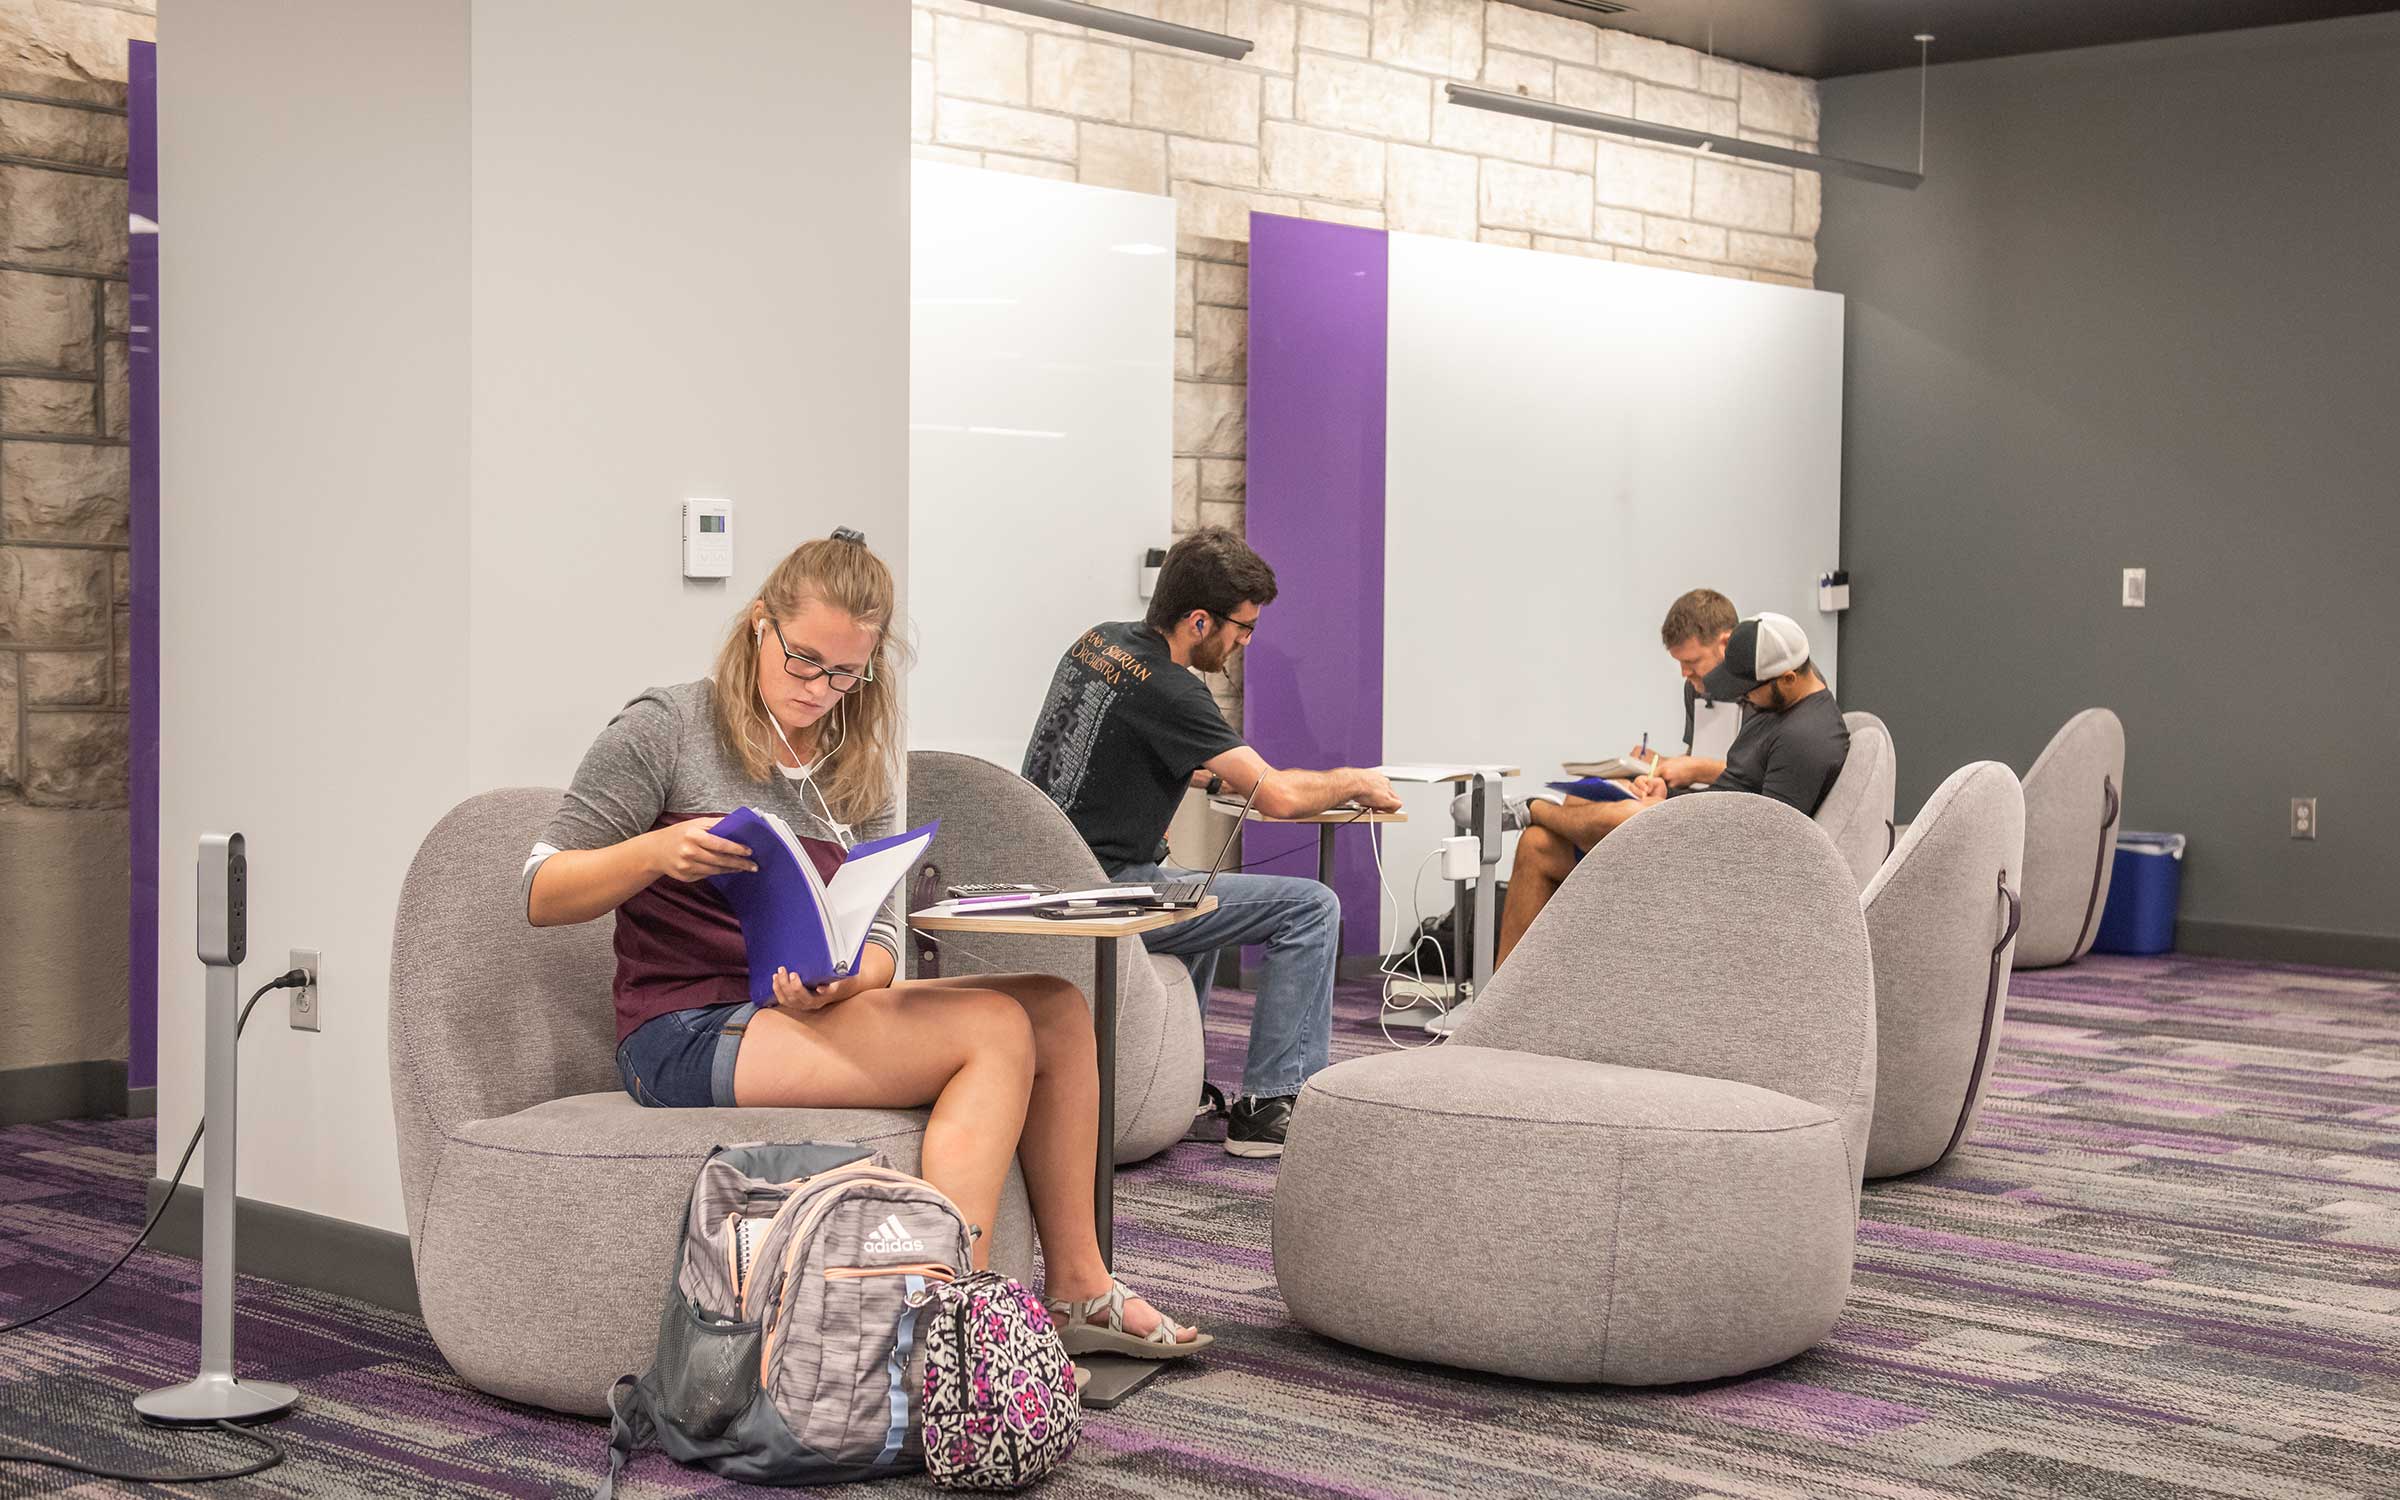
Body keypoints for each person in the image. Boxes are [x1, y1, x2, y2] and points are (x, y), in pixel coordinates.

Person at [524, 533, 1204, 1359]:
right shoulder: (666, 728)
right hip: (682, 1031)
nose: (819, 689)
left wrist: (855, 980)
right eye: (804, 660)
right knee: (992, 1030)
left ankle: (1078, 1288)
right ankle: (956, 1332)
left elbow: (880, 931)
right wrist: (654, 854)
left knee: (1055, 1008)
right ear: (758, 627)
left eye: (847, 673)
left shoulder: (856, 758)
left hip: (794, 1014)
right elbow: (541, 889)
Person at [1023, 527, 1400, 1159]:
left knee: (1199, 893)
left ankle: (1179, 1090)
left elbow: (1114, 745)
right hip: (1105, 895)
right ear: (1200, 621)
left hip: (1047, 876)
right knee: (1310, 907)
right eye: (1243, 628)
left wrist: (1190, 768)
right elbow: (1275, 796)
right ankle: (1269, 1104)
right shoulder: (1175, 690)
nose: (1246, 642)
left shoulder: (1099, 643)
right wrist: (1358, 780)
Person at [1493, 612, 1849, 968]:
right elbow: (1735, 788)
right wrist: (1667, 796)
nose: (1745, 699)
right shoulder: (1778, 704)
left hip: (1702, 866)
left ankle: (1535, 808)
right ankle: (1497, 1012)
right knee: (1551, 830)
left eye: (1748, 691)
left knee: (1633, 815)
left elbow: (1765, 844)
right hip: (1697, 829)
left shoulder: (1806, 739)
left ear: (1787, 678)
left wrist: (1673, 818)